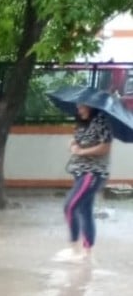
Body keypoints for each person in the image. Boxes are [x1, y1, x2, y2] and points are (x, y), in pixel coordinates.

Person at [54, 104, 112, 262]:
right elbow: (75, 140)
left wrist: (82, 152)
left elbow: (105, 147)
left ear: (91, 106)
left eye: (82, 106)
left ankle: (74, 248)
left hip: (92, 173)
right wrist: (72, 144)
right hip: (80, 173)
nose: (79, 109)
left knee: (70, 206)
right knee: (85, 209)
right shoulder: (82, 122)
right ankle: (87, 253)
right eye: (78, 106)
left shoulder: (101, 121)